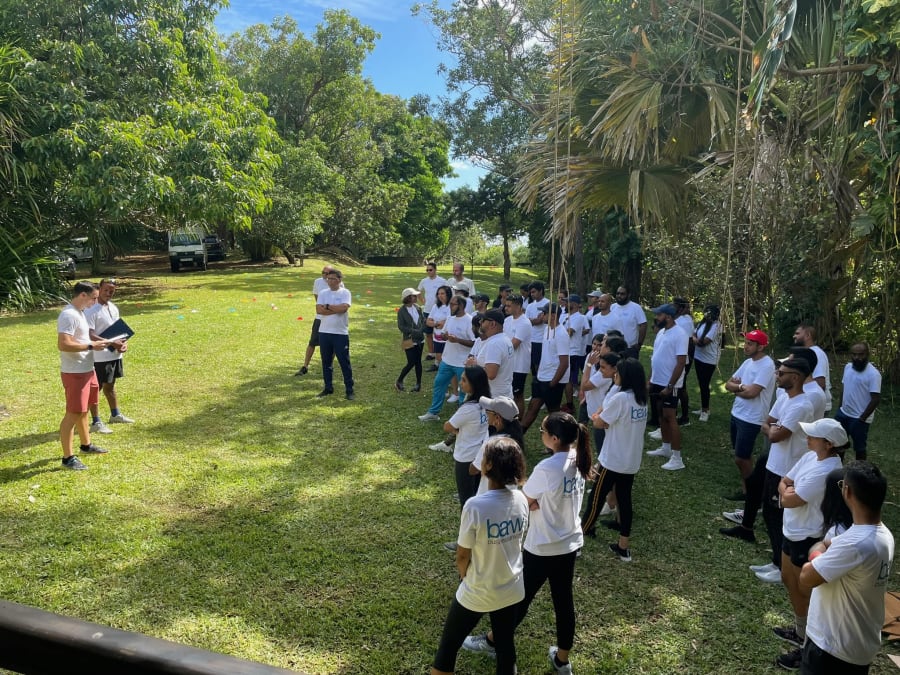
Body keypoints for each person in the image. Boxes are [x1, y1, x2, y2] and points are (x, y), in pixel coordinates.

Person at [464, 412, 590, 675]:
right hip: (569, 544)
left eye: (543, 431)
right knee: (564, 601)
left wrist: (535, 502)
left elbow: (524, 499)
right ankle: (562, 660)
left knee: (519, 599)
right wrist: (535, 501)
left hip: (542, 546)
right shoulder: (578, 458)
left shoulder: (547, 467)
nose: (539, 434)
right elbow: (531, 501)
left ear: (554, 439)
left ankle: (491, 641)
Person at [430, 437, 528, 675]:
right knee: (506, 647)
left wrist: (464, 576)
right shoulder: (521, 499)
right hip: (512, 587)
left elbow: (463, 553)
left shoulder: (476, 505)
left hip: (479, 588)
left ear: (489, 466)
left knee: (448, 647)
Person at [799, 461, 894, 673]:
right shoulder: (883, 535)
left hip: (832, 648)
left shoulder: (854, 544)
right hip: (857, 646)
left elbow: (806, 577)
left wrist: (820, 548)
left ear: (847, 491)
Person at [771, 418, 846, 670]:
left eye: (813, 436)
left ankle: (806, 648)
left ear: (828, 444)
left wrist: (785, 493)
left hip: (807, 536)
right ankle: (800, 632)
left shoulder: (826, 471)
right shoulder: (810, 458)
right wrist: (786, 491)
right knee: (788, 579)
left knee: (806, 592)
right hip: (791, 530)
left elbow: (794, 499)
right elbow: (785, 481)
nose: (807, 438)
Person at [754, 357, 815, 582]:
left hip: (787, 469)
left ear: (795, 377)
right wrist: (773, 428)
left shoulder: (801, 405)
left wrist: (773, 429)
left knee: (779, 517)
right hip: (774, 464)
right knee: (770, 513)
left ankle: (782, 568)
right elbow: (766, 422)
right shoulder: (784, 398)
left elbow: (776, 434)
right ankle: (775, 561)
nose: (777, 376)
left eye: (781, 373)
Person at [581, 358, 648, 556]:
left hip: (613, 459)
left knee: (596, 497)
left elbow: (600, 423)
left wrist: (596, 418)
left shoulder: (621, 399)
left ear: (625, 377)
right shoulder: (641, 398)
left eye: (617, 373)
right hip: (631, 459)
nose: (614, 376)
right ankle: (623, 546)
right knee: (624, 500)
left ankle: (584, 531)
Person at [57, 281, 119, 470]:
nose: (95, 302)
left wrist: (110, 342)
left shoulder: (80, 313)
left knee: (84, 410)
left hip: (87, 369)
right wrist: (92, 346)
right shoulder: (68, 315)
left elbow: (85, 338)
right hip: (75, 372)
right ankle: (68, 458)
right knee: (73, 413)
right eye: (93, 298)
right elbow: (64, 344)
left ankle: (86, 445)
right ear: (82, 295)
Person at [441, 367, 492, 552]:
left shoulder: (467, 409)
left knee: (467, 502)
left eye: (463, 380)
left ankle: (466, 542)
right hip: (480, 456)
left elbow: (448, 426)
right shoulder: (487, 403)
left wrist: (457, 430)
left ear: (473, 384)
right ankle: (479, 535)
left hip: (465, 458)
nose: (460, 383)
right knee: (477, 496)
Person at [721, 329, 776, 500]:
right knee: (743, 455)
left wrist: (737, 389)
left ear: (761, 347)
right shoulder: (748, 363)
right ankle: (747, 491)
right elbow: (727, 384)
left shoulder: (767, 365)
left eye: (750, 344)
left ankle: (754, 493)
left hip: (751, 418)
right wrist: (740, 388)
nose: (746, 346)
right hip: (737, 413)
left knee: (741, 458)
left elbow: (753, 392)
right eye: (746, 342)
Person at [85, 278, 133, 432]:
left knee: (110, 385)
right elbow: (90, 334)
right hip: (99, 357)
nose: (108, 293)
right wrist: (112, 343)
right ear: (99, 289)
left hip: (114, 355)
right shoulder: (91, 310)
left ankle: (115, 414)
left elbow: (119, 330)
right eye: (105, 290)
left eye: (111, 291)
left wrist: (123, 343)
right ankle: (95, 422)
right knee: (95, 389)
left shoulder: (113, 307)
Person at [645, 303, 689, 471]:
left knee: (670, 416)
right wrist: (650, 378)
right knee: (661, 414)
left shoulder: (680, 335)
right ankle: (665, 447)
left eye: (659, 315)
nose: (656, 317)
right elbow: (655, 357)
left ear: (668, 317)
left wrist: (670, 385)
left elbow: (680, 363)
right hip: (657, 380)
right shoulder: (662, 332)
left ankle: (677, 458)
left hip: (670, 383)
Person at [419, 296, 476, 422]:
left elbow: (474, 342)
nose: (450, 307)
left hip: (462, 363)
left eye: (453, 304)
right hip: (447, 360)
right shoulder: (450, 319)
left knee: (463, 392)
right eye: (450, 304)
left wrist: (457, 340)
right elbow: (443, 335)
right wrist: (445, 336)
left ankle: (462, 420)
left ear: (461, 306)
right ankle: (433, 412)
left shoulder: (469, 321)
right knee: (439, 385)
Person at [521, 304, 570, 433]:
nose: (541, 315)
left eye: (544, 313)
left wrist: (553, 383)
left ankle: (557, 444)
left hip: (553, 379)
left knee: (554, 414)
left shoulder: (561, 334)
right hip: (541, 377)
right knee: (532, 407)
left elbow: (564, 362)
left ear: (553, 316)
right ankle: (518, 436)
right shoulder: (547, 329)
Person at [470, 396, 526, 496]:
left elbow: (473, 470)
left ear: (497, 417)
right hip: (510, 495)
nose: (485, 413)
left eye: (488, 411)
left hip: (487, 495)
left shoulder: (492, 443)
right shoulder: (516, 440)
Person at [834, 342, 881, 460]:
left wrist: (862, 418)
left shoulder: (873, 374)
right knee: (838, 444)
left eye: (861, 354)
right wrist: (840, 408)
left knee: (859, 448)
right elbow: (844, 389)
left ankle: (860, 473)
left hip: (859, 418)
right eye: (854, 354)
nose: (857, 358)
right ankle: (839, 469)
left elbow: (875, 399)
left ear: (868, 354)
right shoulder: (848, 367)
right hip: (843, 414)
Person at [315, 268, 354, 400]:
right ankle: (328, 387)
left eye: (332, 279)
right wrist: (334, 308)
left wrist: (327, 306)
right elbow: (319, 310)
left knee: (344, 361)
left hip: (340, 333)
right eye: (328, 278)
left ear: (339, 280)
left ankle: (349, 389)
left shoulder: (345, 292)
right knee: (326, 361)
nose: (329, 281)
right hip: (324, 332)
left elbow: (344, 309)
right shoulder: (323, 293)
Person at [296, 265, 335, 376]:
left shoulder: (337, 283)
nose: (324, 275)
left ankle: (329, 366)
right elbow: (318, 302)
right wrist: (323, 308)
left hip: (332, 319)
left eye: (326, 273)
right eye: (323, 272)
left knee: (332, 344)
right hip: (319, 318)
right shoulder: (318, 282)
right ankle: (305, 366)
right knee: (312, 342)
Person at [470, 309, 514, 400]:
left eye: (483, 320)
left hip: (493, 398)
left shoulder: (494, 344)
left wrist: (474, 366)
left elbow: (491, 374)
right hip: (503, 394)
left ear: (492, 324)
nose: (480, 322)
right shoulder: (504, 339)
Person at [691, 304, 721, 422]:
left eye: (709, 314)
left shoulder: (716, 326)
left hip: (709, 360)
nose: (707, 316)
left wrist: (694, 339)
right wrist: (695, 338)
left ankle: (705, 411)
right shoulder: (702, 323)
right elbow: (694, 333)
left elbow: (703, 342)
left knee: (704, 384)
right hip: (698, 357)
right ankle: (703, 408)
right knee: (701, 383)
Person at [503, 294, 531, 417]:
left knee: (517, 395)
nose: (506, 308)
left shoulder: (524, 323)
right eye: (506, 305)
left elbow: (514, 344)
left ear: (519, 306)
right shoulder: (507, 320)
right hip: (508, 363)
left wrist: (499, 350)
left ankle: (518, 420)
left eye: (509, 306)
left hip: (519, 365)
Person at [793, 324, 832, 412]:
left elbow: (820, 384)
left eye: (797, 333)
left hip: (814, 405)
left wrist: (809, 405)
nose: (794, 336)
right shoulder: (806, 353)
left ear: (808, 335)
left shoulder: (816, 353)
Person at [396, 288, 425, 392]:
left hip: (420, 340)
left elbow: (422, 320)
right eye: (414, 296)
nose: (416, 297)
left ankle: (418, 384)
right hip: (409, 340)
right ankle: (399, 380)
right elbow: (401, 326)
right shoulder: (402, 311)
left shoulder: (418, 308)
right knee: (411, 362)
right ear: (408, 298)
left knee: (418, 362)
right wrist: (413, 331)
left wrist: (422, 328)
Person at [562, 294, 587, 413]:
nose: (566, 304)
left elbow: (569, 333)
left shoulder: (579, 317)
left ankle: (570, 405)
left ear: (576, 305)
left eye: (569, 302)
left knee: (569, 379)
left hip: (572, 351)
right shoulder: (566, 316)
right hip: (563, 350)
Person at [418, 262, 447, 360]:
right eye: (427, 270)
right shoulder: (424, 281)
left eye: (430, 270)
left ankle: (441, 353)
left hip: (439, 311)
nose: (428, 272)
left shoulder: (442, 281)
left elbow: (449, 292)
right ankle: (432, 353)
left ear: (435, 270)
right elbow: (418, 291)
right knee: (428, 333)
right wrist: (422, 301)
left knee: (440, 333)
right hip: (427, 310)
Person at [672, 297, 694, 425]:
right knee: (680, 386)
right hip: (684, 355)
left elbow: (686, 341)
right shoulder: (686, 318)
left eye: (674, 306)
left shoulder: (683, 322)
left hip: (683, 356)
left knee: (680, 386)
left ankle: (684, 417)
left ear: (680, 308)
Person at [610, 286, 647, 358]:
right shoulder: (612, 307)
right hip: (613, 348)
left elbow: (643, 325)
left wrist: (639, 344)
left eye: (622, 294)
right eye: (617, 293)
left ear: (628, 295)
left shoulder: (636, 308)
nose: (619, 296)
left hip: (630, 348)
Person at [427, 285, 454, 373]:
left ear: (448, 294)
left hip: (446, 337)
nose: (440, 296)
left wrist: (441, 323)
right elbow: (428, 321)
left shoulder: (452, 306)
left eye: (442, 293)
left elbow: (449, 321)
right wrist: (436, 324)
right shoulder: (435, 306)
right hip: (437, 337)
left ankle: (447, 375)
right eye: (438, 294)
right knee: (439, 357)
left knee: (446, 358)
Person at [525, 282, 550, 376]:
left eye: (534, 292)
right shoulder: (530, 306)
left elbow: (542, 320)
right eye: (531, 292)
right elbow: (527, 322)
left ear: (541, 291)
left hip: (543, 339)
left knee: (541, 363)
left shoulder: (548, 304)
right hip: (532, 339)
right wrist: (536, 320)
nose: (532, 294)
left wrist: (535, 320)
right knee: (532, 364)